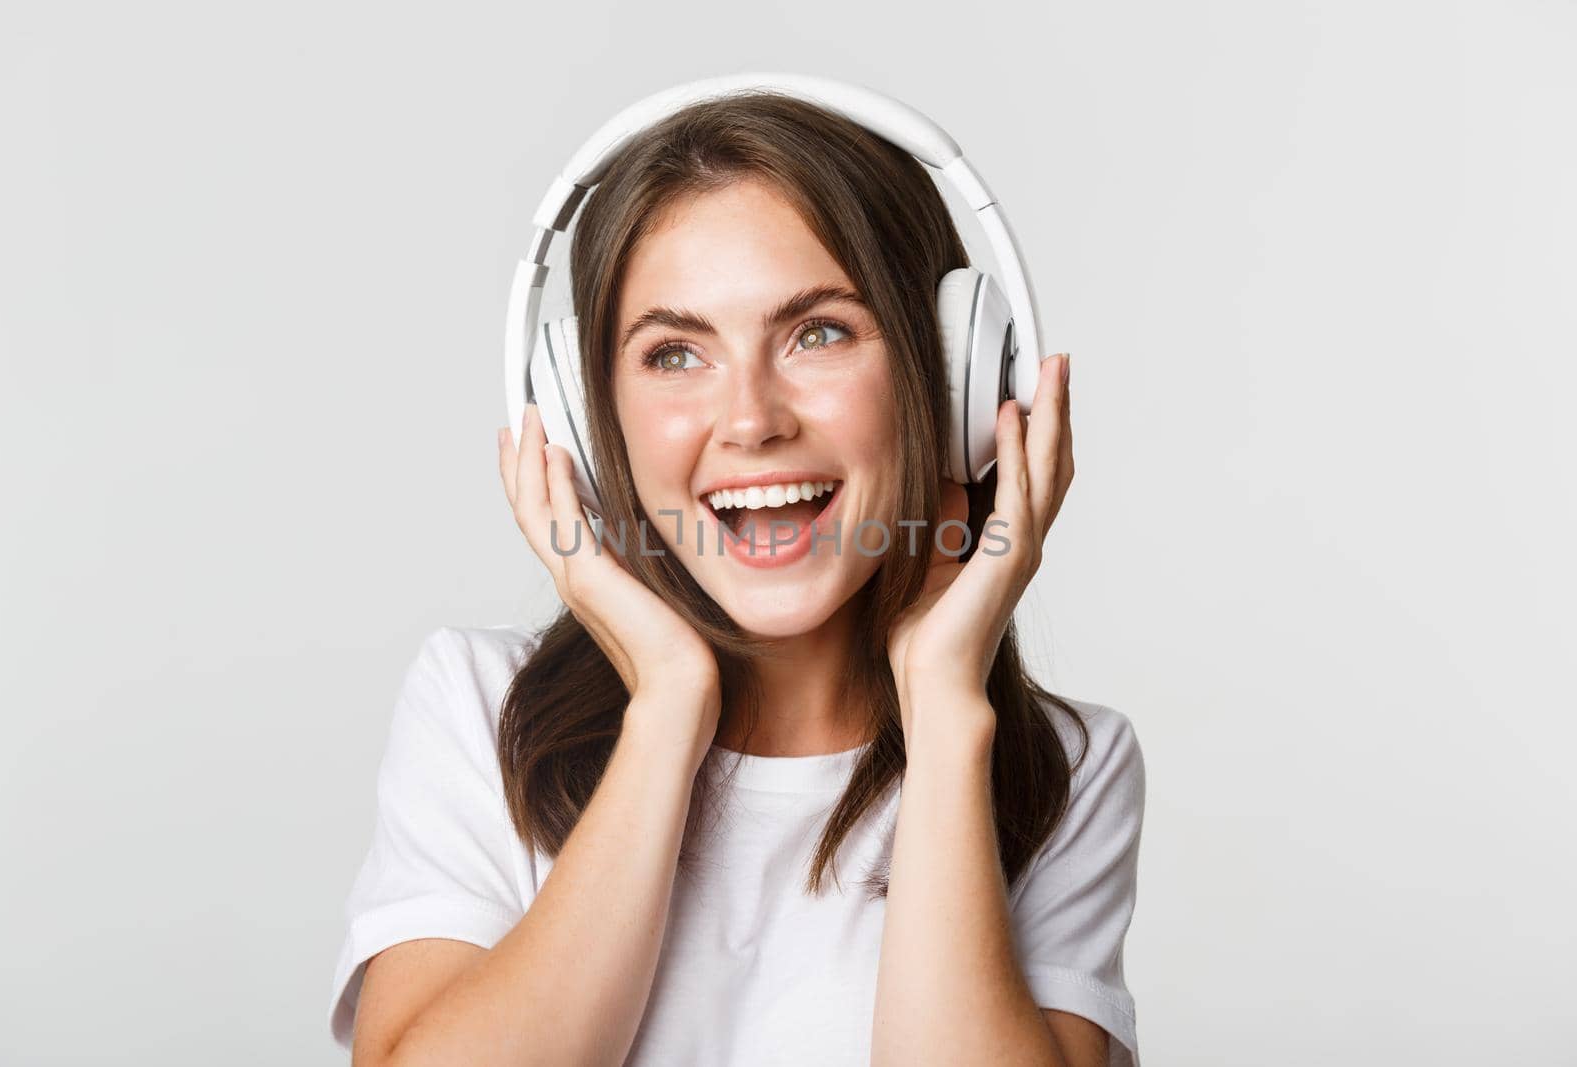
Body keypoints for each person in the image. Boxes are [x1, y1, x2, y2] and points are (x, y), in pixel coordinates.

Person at [327, 90, 1146, 1067]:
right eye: (675, 353)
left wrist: (943, 705)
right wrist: (669, 701)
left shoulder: (1061, 766)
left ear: (953, 377)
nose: (751, 419)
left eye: (818, 333)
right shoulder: (475, 706)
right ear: (589, 425)